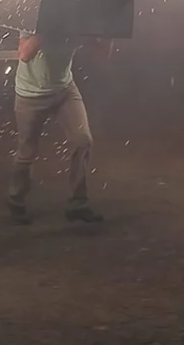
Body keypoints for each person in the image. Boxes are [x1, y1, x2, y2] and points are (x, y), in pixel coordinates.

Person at [7, 31, 112, 225]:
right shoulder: (36, 17)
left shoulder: (81, 20)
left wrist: (109, 32)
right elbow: (24, 54)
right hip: (30, 94)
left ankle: (77, 204)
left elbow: (101, 54)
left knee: (83, 141)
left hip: (64, 90)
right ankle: (16, 200)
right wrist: (48, 28)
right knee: (27, 151)